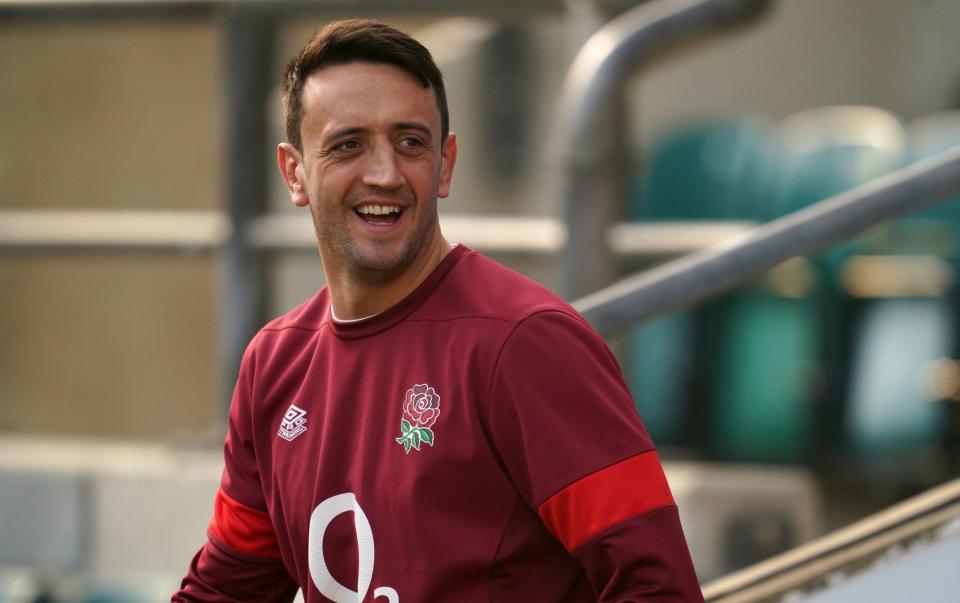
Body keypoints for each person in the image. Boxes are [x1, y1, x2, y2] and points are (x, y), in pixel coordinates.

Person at [174, 18, 703, 603]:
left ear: (445, 164)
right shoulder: (273, 362)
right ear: (294, 172)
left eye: (410, 143)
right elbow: (224, 592)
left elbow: (658, 590)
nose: (385, 174)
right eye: (349, 145)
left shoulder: (526, 342)